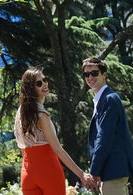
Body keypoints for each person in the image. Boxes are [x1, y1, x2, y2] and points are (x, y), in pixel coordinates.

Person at [15, 66, 92, 195]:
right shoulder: (41, 115)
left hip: (27, 173)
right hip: (48, 171)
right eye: (39, 83)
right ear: (31, 88)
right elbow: (57, 149)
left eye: (45, 80)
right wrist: (81, 174)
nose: (45, 84)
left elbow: (23, 147)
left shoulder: (20, 113)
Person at [83, 57, 133, 195]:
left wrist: (94, 171)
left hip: (113, 169)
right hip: (110, 170)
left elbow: (104, 137)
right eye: (86, 74)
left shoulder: (109, 99)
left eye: (94, 73)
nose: (90, 77)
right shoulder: (101, 99)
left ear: (104, 74)